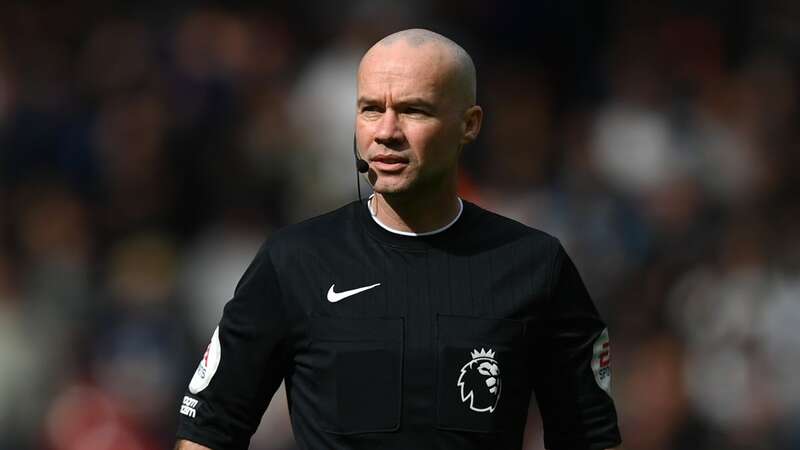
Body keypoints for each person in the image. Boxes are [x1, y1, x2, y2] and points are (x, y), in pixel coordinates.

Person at [175, 28, 622, 450]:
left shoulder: (534, 265)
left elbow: (589, 438)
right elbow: (209, 430)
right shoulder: (294, 261)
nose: (386, 132)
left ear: (469, 124)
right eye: (371, 109)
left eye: (413, 110)